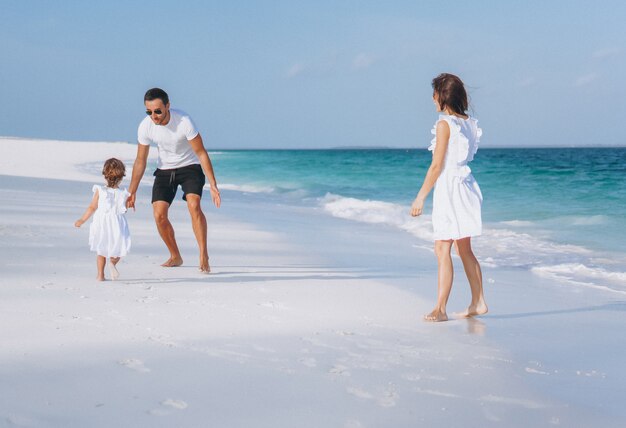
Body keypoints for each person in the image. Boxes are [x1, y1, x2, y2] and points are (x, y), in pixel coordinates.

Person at [410, 73, 488, 322]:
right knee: (464, 248)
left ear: (442, 95)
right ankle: (478, 302)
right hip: (466, 187)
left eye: (434, 94)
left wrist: (420, 197)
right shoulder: (470, 123)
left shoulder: (445, 124)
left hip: (449, 189)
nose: (432, 99)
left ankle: (440, 309)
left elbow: (436, 166)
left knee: (442, 248)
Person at [126, 88, 221, 273]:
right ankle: (175, 256)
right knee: (159, 215)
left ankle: (203, 254)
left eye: (158, 111)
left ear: (168, 106)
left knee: (194, 206)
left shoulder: (184, 121)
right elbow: (140, 161)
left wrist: (213, 184)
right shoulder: (145, 126)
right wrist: (132, 191)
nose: (153, 116)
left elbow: (201, 152)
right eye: (149, 111)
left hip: (190, 168)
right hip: (165, 170)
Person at [75, 158, 131, 281]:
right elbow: (124, 210)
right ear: (122, 176)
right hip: (117, 224)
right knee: (119, 248)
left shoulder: (100, 190)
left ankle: (100, 275)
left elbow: (92, 207)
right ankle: (113, 263)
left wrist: (82, 220)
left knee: (101, 249)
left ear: (105, 175)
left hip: (102, 223)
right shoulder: (124, 194)